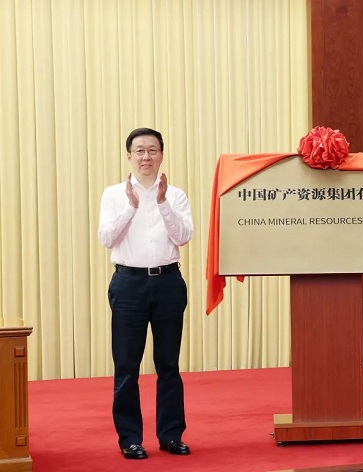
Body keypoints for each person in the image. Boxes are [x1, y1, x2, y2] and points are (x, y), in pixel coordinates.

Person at [98, 128, 194, 459]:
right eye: (139, 150)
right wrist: (131, 207)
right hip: (128, 285)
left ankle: (171, 435)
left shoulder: (175, 195)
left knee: (168, 363)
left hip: (168, 283)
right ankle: (130, 439)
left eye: (152, 150)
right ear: (129, 156)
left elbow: (183, 237)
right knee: (127, 365)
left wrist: (163, 203)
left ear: (161, 155)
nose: (146, 157)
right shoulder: (114, 194)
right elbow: (107, 239)